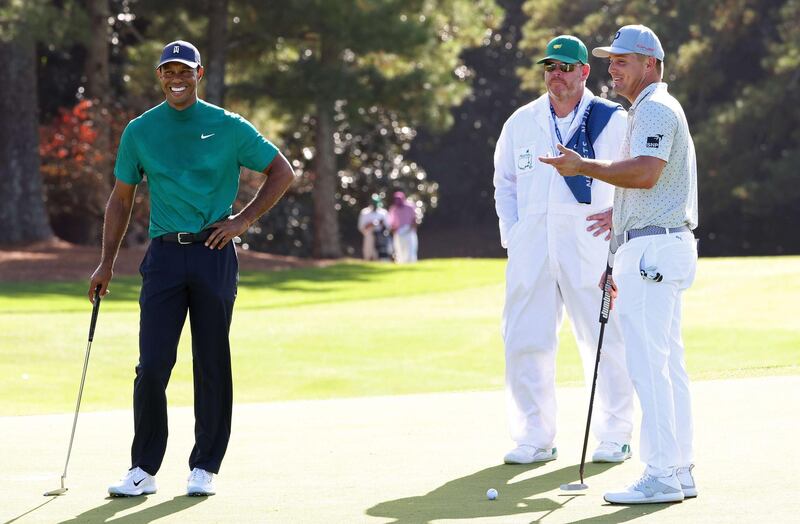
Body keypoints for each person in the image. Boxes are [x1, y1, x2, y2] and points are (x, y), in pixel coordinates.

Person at [88, 40, 295, 497]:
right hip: (163, 257)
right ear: (160, 76)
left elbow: (282, 170)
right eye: (168, 70)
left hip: (213, 253)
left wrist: (242, 220)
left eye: (184, 70)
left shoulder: (227, 125)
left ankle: (205, 466)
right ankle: (142, 469)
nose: (175, 77)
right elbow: (121, 198)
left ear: (199, 75)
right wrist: (105, 263)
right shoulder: (140, 130)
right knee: (153, 365)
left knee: (212, 361)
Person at [540, 25, 699, 504]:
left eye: (622, 60)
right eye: (611, 61)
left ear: (650, 63)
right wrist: (620, 226)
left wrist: (583, 166)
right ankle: (681, 468)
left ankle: (663, 474)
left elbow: (646, 173)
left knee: (650, 367)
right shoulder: (651, 108)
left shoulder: (653, 107)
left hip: (654, 252)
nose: (613, 69)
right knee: (667, 365)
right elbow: (652, 181)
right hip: (655, 246)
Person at [493, 35, 635, 466]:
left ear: (584, 72)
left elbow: (636, 175)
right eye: (550, 67)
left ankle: (615, 434)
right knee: (524, 338)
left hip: (590, 240)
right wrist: (513, 236)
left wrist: (619, 217)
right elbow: (505, 184)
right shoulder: (521, 120)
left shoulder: (612, 118)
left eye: (566, 67)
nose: (557, 75)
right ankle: (535, 436)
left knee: (604, 337)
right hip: (531, 245)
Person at [388, 191, 419, 263]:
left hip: (409, 230)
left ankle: (411, 263)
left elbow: (414, 219)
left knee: (410, 249)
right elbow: (392, 223)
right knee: (399, 250)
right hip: (399, 232)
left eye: (399, 199)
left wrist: (412, 228)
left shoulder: (410, 207)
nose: (398, 201)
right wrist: (394, 231)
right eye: (396, 199)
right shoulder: (393, 209)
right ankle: (400, 262)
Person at [358, 194, 391, 261]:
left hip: (381, 236)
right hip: (369, 235)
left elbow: (388, 226)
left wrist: (382, 224)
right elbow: (361, 227)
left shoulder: (383, 213)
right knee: (369, 253)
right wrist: (371, 224)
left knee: (381, 254)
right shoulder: (365, 212)